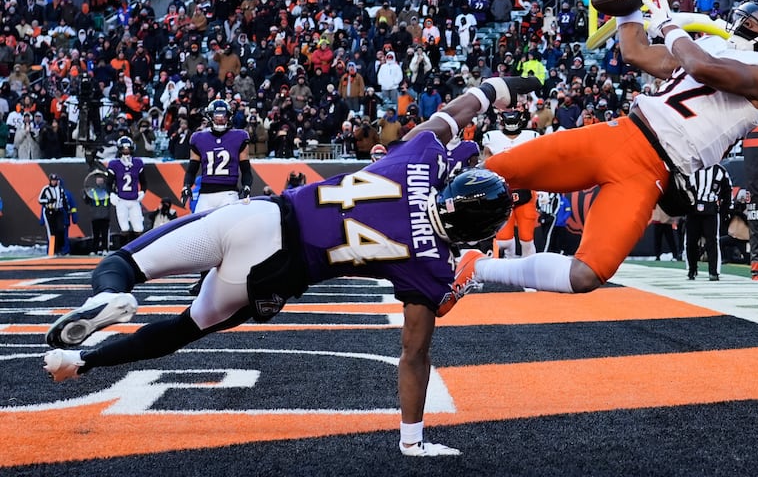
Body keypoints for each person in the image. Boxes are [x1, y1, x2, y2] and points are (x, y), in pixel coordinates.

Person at [41, 76, 540, 457]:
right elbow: (414, 356)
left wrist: (499, 88)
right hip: (274, 276)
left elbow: (455, 112)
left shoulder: (416, 159)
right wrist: (412, 439)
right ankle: (82, 363)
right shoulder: (429, 264)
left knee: (122, 262)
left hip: (260, 217)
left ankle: (112, 297)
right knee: (184, 328)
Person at [451, 0, 758, 295]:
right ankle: (413, 220)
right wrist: (629, 0)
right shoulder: (716, 47)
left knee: (587, 273)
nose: (747, 18)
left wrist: (669, 24)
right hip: (623, 135)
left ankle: (476, 267)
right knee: (494, 173)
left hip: (654, 170)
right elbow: (635, 51)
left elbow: (704, 68)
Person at [181, 99, 252, 295]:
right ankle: (204, 280)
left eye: (223, 115)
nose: (220, 119)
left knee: (228, 238)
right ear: (210, 117)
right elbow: (192, 168)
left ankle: (232, 278)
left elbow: (245, 169)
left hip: (229, 192)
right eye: (217, 115)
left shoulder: (239, 137)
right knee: (204, 239)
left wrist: (246, 186)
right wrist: (187, 186)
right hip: (206, 194)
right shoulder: (198, 138)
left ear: (229, 117)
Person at [481, 109, 540, 259]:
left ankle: (529, 272)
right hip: (502, 191)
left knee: (526, 238)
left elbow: (541, 163)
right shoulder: (491, 138)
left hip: (525, 189)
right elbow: (486, 164)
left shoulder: (532, 136)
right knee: (504, 240)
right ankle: (509, 266)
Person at [685, 164, 732, 281]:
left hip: (710, 210)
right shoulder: (689, 167)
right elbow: (682, 187)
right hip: (692, 209)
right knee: (691, 241)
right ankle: (692, 269)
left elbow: (727, 190)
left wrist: (724, 211)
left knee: (712, 241)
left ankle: (713, 271)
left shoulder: (719, 170)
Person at [107, 136, 147, 244]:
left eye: (128, 148)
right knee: (124, 227)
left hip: (134, 200)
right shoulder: (114, 164)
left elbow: (144, 182)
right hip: (121, 200)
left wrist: (143, 191)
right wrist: (111, 194)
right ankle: (124, 251)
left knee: (138, 228)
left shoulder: (137, 163)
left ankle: (138, 250)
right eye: (124, 148)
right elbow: (108, 183)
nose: (126, 150)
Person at [38, 174, 75, 256]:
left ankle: (59, 249)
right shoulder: (46, 189)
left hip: (58, 211)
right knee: (51, 232)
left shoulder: (60, 189)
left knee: (60, 230)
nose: (54, 182)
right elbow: (40, 200)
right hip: (50, 211)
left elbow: (64, 201)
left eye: (55, 180)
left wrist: (67, 210)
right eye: (52, 180)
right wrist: (49, 201)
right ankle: (52, 250)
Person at [84, 173, 112, 255]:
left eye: (101, 179)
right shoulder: (92, 191)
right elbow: (87, 201)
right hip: (95, 216)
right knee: (95, 234)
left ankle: (105, 249)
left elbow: (112, 201)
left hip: (105, 216)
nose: (99, 180)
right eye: (98, 179)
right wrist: (85, 195)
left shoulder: (108, 190)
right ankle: (94, 250)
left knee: (105, 234)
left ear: (103, 180)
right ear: (95, 180)